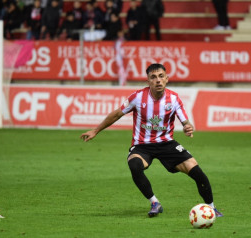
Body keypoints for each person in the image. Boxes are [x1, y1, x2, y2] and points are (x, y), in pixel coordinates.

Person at [80, 63, 223, 218]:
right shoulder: (137, 97)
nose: (158, 80)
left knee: (197, 172)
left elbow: (185, 121)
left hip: (167, 144)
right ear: (148, 81)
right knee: (134, 165)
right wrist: (96, 130)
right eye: (153, 77)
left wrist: (188, 127)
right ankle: (154, 202)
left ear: (167, 79)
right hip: (142, 146)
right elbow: (116, 114)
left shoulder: (174, 99)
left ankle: (211, 208)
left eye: (161, 76)